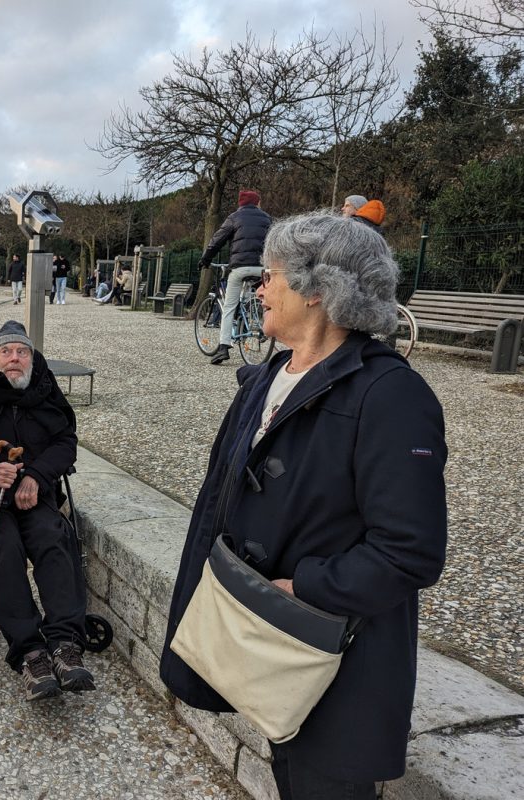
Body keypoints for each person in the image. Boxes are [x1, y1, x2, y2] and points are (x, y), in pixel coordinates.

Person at [160, 212, 447, 799]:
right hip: (266, 642)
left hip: (336, 656)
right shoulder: (269, 374)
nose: (259, 287)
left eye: (270, 275)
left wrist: (302, 590)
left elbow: (410, 552)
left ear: (318, 290)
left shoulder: (392, 395)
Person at [0, 321, 95, 701]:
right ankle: (30, 651)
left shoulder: (44, 388)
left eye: (22, 351)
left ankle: (65, 643)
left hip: (34, 492)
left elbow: (65, 442)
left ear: (32, 357)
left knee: (53, 536)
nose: (14, 358)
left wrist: (38, 476)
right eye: (6, 351)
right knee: (5, 547)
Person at [197, 189, 272, 365]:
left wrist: (205, 259)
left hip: (240, 267)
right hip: (262, 267)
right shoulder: (267, 218)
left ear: (241, 203)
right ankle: (263, 327)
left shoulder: (234, 217)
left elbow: (217, 239)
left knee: (230, 306)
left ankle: (223, 347)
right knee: (262, 298)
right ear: (257, 202)